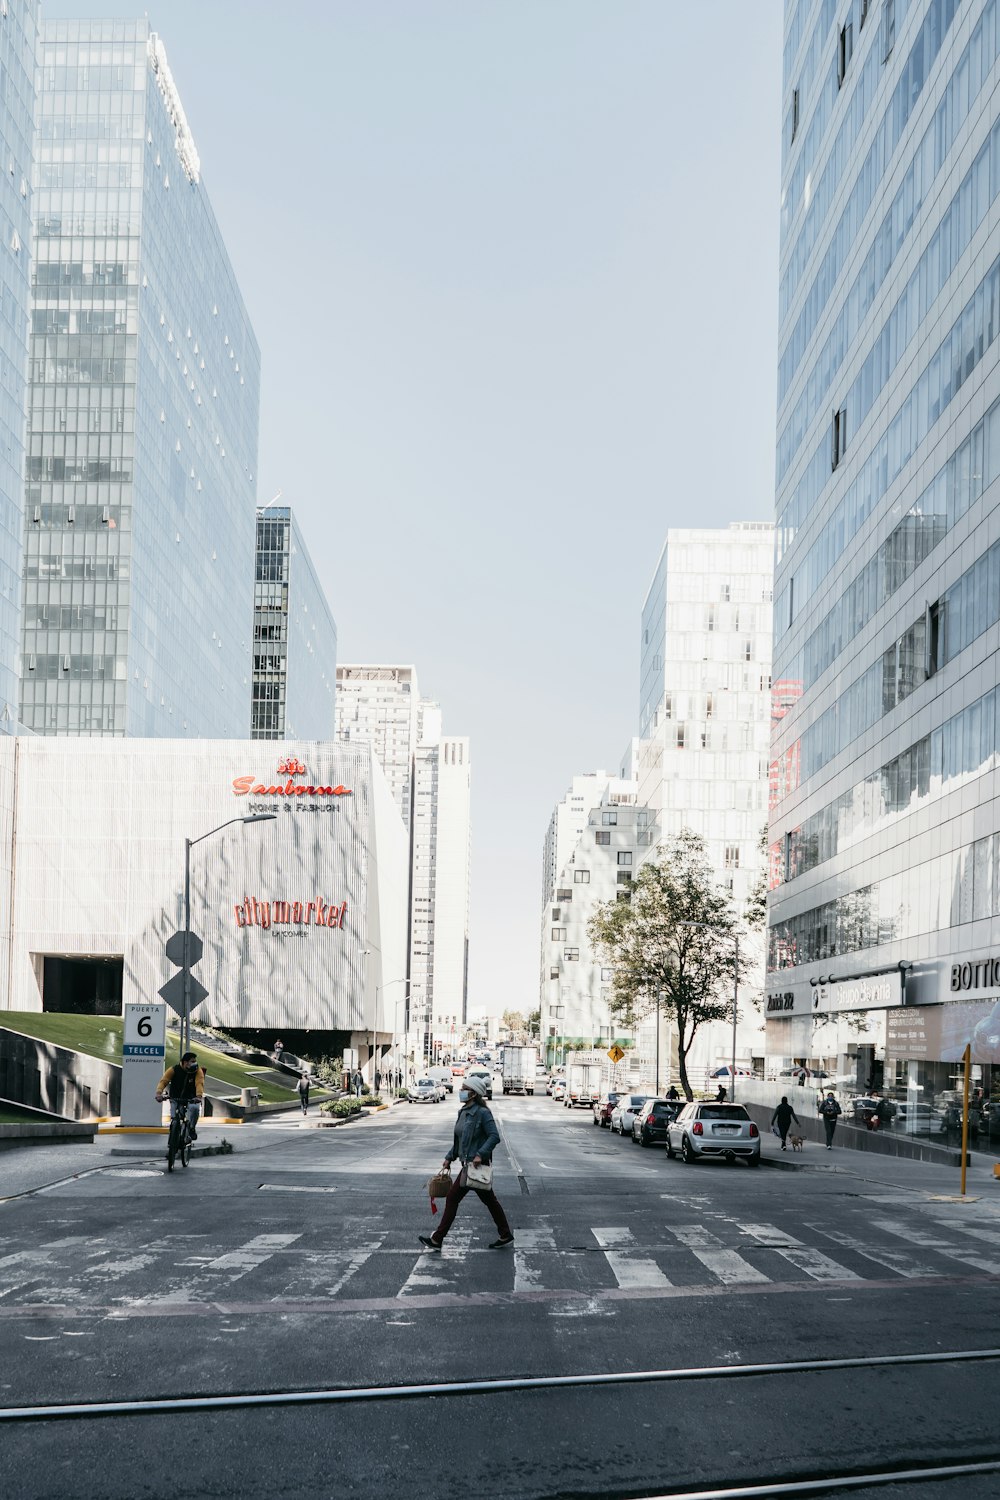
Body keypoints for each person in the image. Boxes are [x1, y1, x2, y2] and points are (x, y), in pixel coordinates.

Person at [419, 1075, 512, 1251]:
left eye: (464, 1089)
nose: (461, 1091)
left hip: (475, 1166)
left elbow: (494, 1136)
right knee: (490, 1201)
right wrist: (449, 1157)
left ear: (473, 1093)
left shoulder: (483, 1113)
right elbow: (459, 1141)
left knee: (453, 1198)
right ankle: (505, 1233)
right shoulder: (462, 1112)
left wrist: (480, 1154)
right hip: (467, 1166)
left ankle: (438, 1239)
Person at [155, 1052, 205, 1139]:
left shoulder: (198, 1071)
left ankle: (192, 1128)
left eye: (195, 1061)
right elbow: (164, 1081)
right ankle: (173, 1139)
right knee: (174, 1117)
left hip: (192, 1098)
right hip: (175, 1097)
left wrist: (199, 1096)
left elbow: (199, 1083)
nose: (194, 1063)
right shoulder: (174, 1069)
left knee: (194, 1109)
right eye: (192, 1061)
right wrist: (159, 1093)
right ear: (185, 1062)